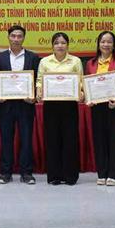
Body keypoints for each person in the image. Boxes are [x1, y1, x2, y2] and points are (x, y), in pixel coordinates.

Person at [0, 25, 40, 185]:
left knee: (26, 140)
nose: (16, 39)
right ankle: (5, 173)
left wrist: (34, 97)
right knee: (6, 140)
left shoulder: (33, 57)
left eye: (19, 36)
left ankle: (27, 173)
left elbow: (37, 81)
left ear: (24, 38)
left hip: (26, 105)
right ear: (8, 37)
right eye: (13, 36)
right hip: (6, 106)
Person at [85, 31, 115, 186]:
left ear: (114, 44)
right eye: (103, 41)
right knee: (99, 140)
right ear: (98, 44)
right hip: (97, 107)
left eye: (109, 42)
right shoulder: (91, 63)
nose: (106, 44)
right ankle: (102, 173)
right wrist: (89, 99)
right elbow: (87, 84)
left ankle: (113, 174)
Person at [36, 32, 83, 185]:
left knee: (70, 140)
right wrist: (39, 91)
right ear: (52, 46)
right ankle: (54, 176)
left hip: (69, 105)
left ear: (67, 45)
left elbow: (80, 81)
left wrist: (81, 92)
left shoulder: (75, 61)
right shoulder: (45, 61)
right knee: (53, 140)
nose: (60, 46)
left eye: (63, 43)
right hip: (51, 105)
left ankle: (70, 176)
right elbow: (39, 81)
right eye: (56, 43)